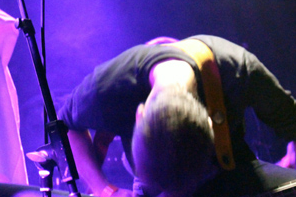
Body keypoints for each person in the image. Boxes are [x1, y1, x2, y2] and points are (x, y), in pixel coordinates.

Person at [59, 35, 296, 197]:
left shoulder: (237, 68)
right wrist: (104, 189)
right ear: (140, 115)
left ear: (210, 126)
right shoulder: (110, 85)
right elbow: (66, 125)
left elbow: (291, 121)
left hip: (233, 172)